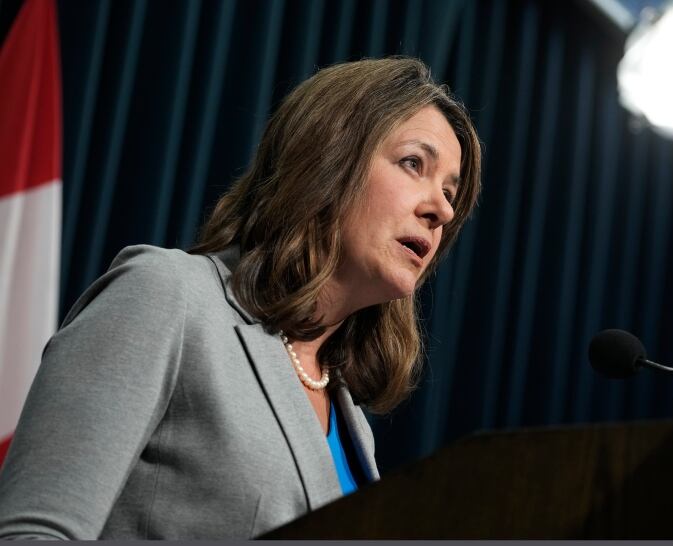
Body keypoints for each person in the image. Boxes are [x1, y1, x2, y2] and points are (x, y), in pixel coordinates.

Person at [0, 56, 481, 539]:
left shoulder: (351, 419)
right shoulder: (167, 296)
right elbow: (30, 535)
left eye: (450, 192)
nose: (440, 208)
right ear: (329, 159)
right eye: (413, 164)